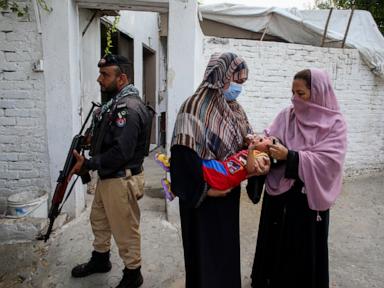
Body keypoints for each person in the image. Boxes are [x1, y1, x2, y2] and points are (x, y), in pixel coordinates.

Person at [170, 52, 270, 288]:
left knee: (225, 253)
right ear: (220, 76)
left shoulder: (234, 108)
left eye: (242, 83)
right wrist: (204, 190)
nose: (239, 88)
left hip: (227, 194)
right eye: (237, 81)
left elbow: (244, 140)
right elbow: (182, 156)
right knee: (204, 257)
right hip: (202, 199)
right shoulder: (193, 106)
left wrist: (254, 149)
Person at [250, 68, 347, 288]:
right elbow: (272, 136)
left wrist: (291, 156)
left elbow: (330, 163)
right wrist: (263, 144)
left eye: (301, 93)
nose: (295, 99)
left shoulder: (335, 124)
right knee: (274, 243)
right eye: (293, 93)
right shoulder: (288, 115)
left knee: (301, 248)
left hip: (306, 199)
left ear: (318, 93)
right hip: (278, 195)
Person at [69, 54, 152, 288]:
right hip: (109, 178)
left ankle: (133, 274)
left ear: (122, 78)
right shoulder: (114, 105)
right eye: (100, 74)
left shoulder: (129, 108)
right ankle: (100, 259)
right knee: (100, 221)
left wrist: (88, 164)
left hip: (121, 179)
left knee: (125, 230)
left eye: (105, 75)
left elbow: (121, 153)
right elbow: (110, 138)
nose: (99, 79)